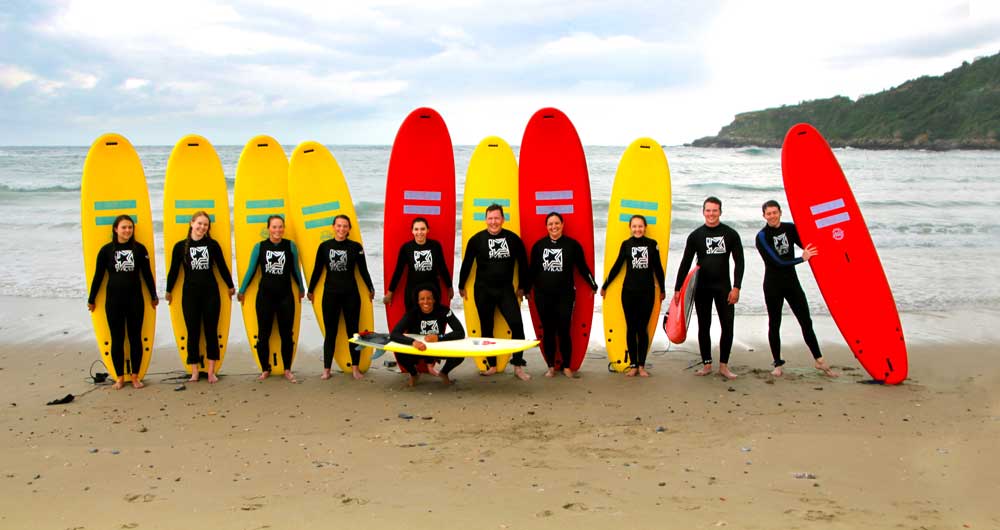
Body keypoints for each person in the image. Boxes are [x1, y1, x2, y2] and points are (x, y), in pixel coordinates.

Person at [756, 200, 837, 377]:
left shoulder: (790, 228)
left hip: (792, 283)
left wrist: (832, 245)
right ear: (764, 216)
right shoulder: (761, 237)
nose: (772, 216)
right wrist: (802, 259)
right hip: (772, 285)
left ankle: (819, 360)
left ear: (780, 212)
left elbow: (808, 246)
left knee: (805, 321)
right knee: (774, 323)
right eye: (768, 213)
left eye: (774, 212)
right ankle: (777, 364)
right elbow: (776, 262)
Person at [458, 203, 531, 381]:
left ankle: (518, 366)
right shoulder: (476, 240)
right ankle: (491, 365)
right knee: (486, 327)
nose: (493, 222)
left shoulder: (513, 240)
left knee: (517, 325)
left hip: (506, 290)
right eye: (490, 218)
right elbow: (467, 263)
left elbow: (523, 264)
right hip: (483, 290)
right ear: (486, 220)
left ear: (503, 219)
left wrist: (523, 287)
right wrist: (461, 285)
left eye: (497, 218)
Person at [674, 196, 744, 379]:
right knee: (704, 326)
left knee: (727, 326)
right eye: (708, 210)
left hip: (724, 288)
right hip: (702, 288)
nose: (711, 214)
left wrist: (736, 287)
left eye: (715, 210)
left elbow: (740, 262)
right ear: (703, 212)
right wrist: (677, 289)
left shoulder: (731, 234)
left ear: (720, 211)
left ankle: (724, 366)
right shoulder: (696, 236)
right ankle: (706, 364)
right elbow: (685, 263)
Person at [87, 214, 158, 390]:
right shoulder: (106, 251)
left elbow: (147, 275)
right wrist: (91, 298)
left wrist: (154, 295)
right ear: (116, 229)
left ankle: (135, 376)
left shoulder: (140, 249)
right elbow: (98, 276)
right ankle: (119, 377)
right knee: (117, 339)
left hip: (135, 299)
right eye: (124, 227)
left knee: (135, 338)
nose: (127, 230)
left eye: (130, 227)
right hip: (114, 300)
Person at [524, 212, 598, 378]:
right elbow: (532, 271)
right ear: (546, 226)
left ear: (562, 224)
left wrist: (593, 284)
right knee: (548, 331)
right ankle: (550, 366)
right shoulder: (539, 246)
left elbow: (583, 268)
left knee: (564, 330)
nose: (554, 226)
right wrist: (526, 289)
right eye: (550, 224)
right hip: (543, 296)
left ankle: (566, 366)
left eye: (557, 223)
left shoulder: (572, 245)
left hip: (565, 296)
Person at [165, 211, 235, 384]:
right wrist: (168, 290)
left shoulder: (212, 245)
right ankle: (194, 371)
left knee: (211, 331)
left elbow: (222, 267)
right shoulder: (180, 247)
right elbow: (174, 271)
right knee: (193, 332)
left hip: (211, 293)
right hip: (189, 294)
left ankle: (211, 371)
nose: (202, 227)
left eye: (205, 225)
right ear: (192, 223)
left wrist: (230, 285)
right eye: (199, 223)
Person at [307, 214, 375, 380]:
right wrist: (310, 289)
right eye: (338, 226)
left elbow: (363, 270)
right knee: (330, 333)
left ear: (349, 229)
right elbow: (317, 270)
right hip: (330, 295)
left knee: (353, 333)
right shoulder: (324, 247)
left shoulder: (356, 247)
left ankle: (355, 368)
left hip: (351, 294)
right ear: (333, 227)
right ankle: (326, 369)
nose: (341, 229)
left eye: (345, 226)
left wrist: (371, 287)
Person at [238, 215, 303, 383]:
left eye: (280, 227)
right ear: (268, 228)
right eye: (274, 227)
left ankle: (287, 369)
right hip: (265, 297)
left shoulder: (290, 246)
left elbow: (295, 270)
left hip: (285, 296)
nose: (277, 230)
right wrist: (242, 290)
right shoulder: (260, 247)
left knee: (287, 335)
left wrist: (302, 289)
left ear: (284, 228)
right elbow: (251, 270)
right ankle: (265, 369)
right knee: (263, 335)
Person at [600, 215, 666, 377]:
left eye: (640, 226)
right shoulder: (626, 244)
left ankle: (642, 365)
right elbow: (617, 266)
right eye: (634, 226)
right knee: (631, 328)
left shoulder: (652, 245)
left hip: (647, 292)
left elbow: (658, 269)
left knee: (642, 329)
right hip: (628, 292)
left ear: (645, 228)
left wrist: (662, 290)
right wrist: (605, 285)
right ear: (630, 228)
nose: (637, 229)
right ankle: (633, 365)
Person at [390, 284, 466, 387]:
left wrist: (439, 338)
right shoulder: (412, 313)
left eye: (429, 298)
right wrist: (413, 342)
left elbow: (460, 332)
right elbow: (394, 334)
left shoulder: (444, 311)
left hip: (438, 347)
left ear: (434, 299)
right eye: (422, 299)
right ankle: (414, 374)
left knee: (460, 354)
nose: (426, 302)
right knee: (400, 353)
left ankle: (444, 372)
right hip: (419, 348)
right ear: (417, 301)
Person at [385, 217, 453, 311]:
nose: (419, 232)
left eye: (422, 229)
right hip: (412, 291)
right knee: (413, 323)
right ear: (412, 231)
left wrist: (449, 287)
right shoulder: (406, 248)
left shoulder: (435, 246)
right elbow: (398, 271)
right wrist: (390, 292)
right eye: (416, 229)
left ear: (427, 230)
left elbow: (442, 267)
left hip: (432, 290)